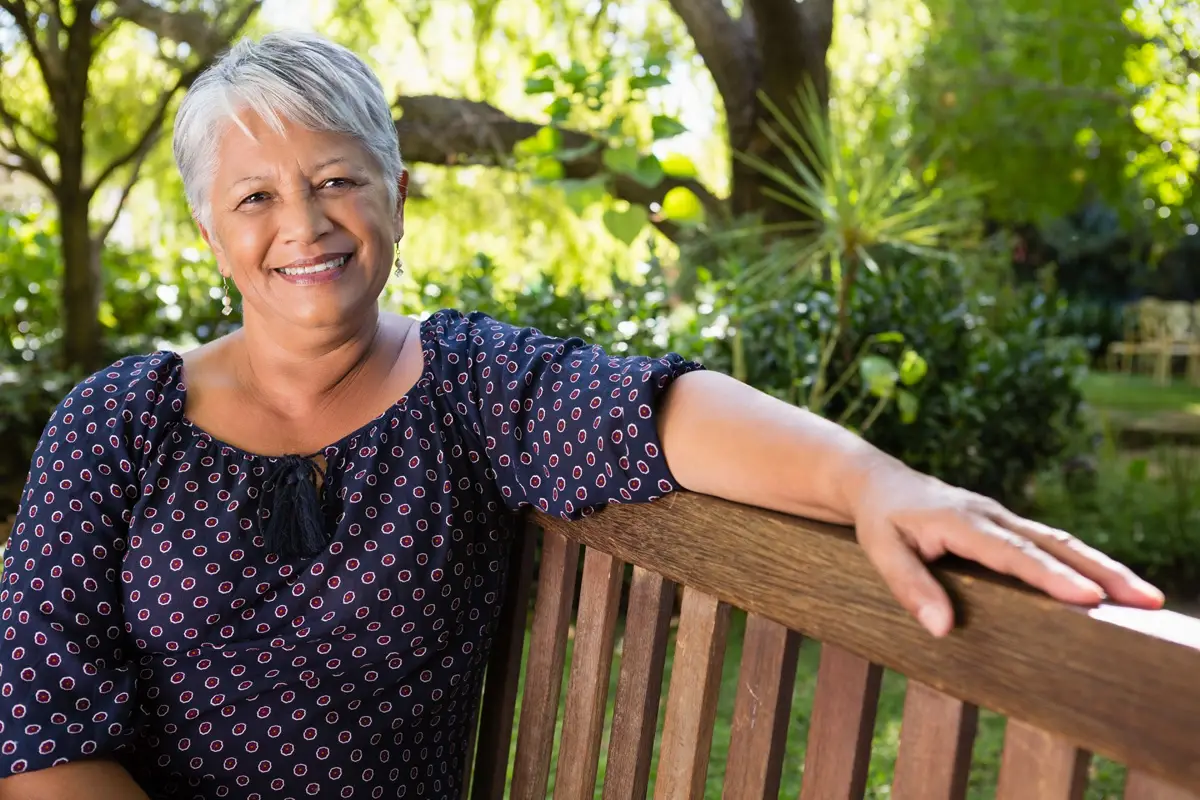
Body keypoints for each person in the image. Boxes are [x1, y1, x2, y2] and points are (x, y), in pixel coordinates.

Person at [0, 31, 1163, 800]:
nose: (303, 223)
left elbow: (660, 409)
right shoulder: (119, 427)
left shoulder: (466, 388)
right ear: (213, 231)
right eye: (256, 196)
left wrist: (874, 481)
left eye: (337, 178)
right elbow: (44, 730)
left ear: (399, 198)